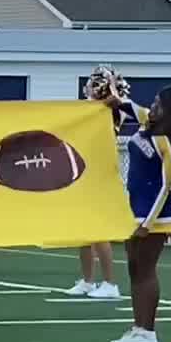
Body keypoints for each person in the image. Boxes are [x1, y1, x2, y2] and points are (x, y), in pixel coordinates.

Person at [111, 85, 171, 342]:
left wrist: (147, 224)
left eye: (160, 103)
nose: (154, 106)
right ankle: (138, 327)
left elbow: (166, 183)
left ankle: (148, 333)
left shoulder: (165, 139)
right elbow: (127, 105)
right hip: (134, 209)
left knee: (145, 270)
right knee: (134, 268)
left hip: (154, 215)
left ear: (170, 110)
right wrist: (111, 95)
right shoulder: (148, 121)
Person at [67, 69, 125, 300]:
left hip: (101, 174)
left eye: (93, 86)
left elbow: (116, 102)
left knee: (100, 231)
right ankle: (88, 280)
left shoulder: (110, 111)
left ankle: (110, 282)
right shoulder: (88, 110)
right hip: (83, 173)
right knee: (84, 230)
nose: (88, 90)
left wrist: (109, 85)